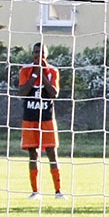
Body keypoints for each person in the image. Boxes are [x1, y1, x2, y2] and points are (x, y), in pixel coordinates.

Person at [18, 42, 63, 199]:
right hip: (30, 118)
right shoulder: (25, 70)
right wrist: (35, 74)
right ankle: (35, 191)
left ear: (46, 54)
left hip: (47, 117)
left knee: (52, 153)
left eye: (42, 53)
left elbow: (54, 93)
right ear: (32, 54)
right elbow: (22, 92)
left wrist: (42, 75)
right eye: (36, 53)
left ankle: (58, 191)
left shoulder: (53, 71)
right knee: (33, 154)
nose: (39, 56)